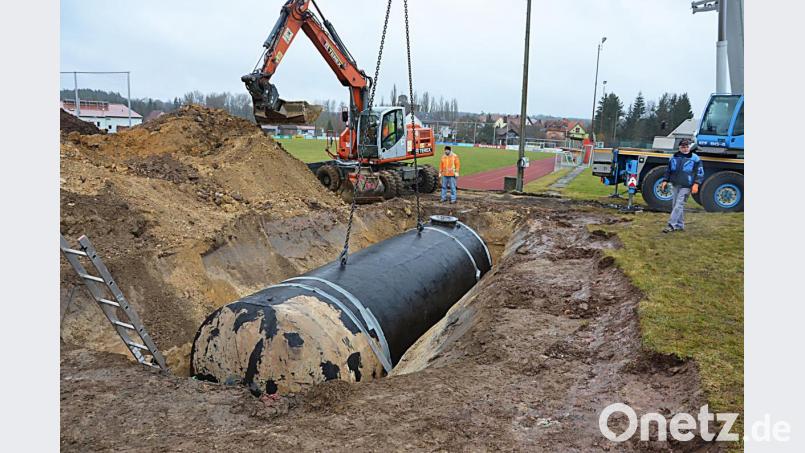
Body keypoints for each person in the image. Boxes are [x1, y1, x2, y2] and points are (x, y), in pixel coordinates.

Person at [661, 139, 704, 233]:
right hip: (675, 184)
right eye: (683, 147)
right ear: (679, 147)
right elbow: (668, 170)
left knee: (679, 204)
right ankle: (680, 225)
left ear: (689, 147)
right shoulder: (673, 157)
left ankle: (671, 225)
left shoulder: (695, 158)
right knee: (675, 205)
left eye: (687, 147)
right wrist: (665, 181)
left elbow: (700, 172)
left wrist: (696, 184)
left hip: (687, 185)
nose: (685, 149)